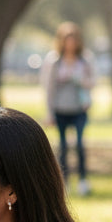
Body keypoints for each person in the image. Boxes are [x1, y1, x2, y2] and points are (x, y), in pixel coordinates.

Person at [40, 22, 96, 196]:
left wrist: (78, 78)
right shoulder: (54, 61)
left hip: (79, 108)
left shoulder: (85, 60)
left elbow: (92, 82)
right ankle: (64, 182)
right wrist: (49, 112)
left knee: (79, 144)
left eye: (74, 40)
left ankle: (83, 181)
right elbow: (48, 88)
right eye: (67, 40)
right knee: (63, 146)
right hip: (60, 109)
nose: (71, 44)